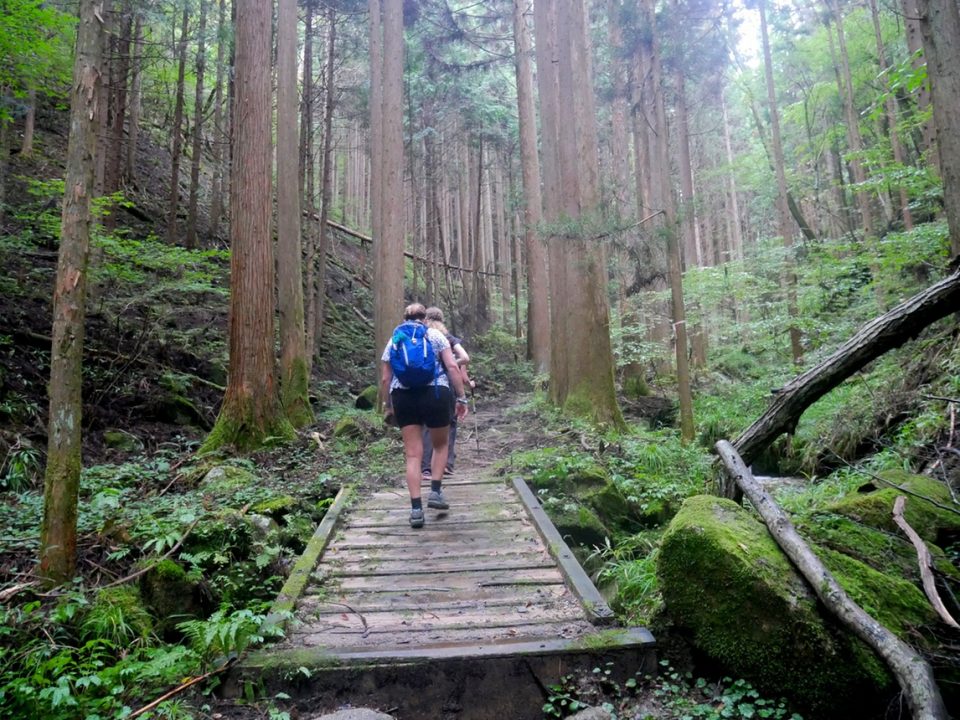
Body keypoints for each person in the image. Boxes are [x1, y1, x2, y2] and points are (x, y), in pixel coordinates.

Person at [381, 303, 469, 528]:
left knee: (413, 455)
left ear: (405, 318)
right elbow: (451, 366)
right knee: (441, 445)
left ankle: (416, 509)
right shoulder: (436, 336)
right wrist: (461, 397)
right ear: (424, 318)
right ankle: (436, 492)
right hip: (436, 393)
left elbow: (385, 379)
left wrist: (387, 405)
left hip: (403, 396)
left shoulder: (395, 339)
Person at [420, 306, 474, 480]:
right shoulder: (448, 338)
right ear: (442, 319)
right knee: (449, 423)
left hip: (424, 384)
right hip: (447, 384)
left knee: (427, 425)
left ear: (426, 319)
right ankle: (447, 465)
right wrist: (449, 363)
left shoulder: (423, 335)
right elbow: (465, 358)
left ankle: (427, 468)